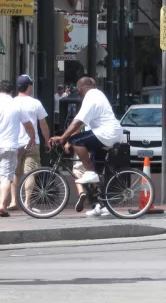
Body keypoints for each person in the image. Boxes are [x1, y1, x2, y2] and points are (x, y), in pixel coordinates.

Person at [49, 77, 125, 215]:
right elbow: (82, 123)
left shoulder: (91, 97)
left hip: (106, 133)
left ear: (79, 89)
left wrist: (64, 137)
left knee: (76, 141)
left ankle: (89, 173)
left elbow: (77, 122)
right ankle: (101, 205)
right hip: (108, 133)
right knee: (97, 169)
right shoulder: (98, 94)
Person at [12, 75, 50, 212]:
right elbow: (43, 124)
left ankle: (13, 201)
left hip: (15, 142)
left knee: (15, 173)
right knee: (30, 173)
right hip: (32, 143)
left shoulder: (12, 102)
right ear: (28, 87)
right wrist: (47, 140)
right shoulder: (36, 103)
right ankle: (27, 202)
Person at [0, 80, 35, 217]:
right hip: (9, 146)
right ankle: (2, 205)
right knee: (6, 176)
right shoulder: (16, 104)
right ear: (12, 91)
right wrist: (32, 138)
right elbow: (28, 125)